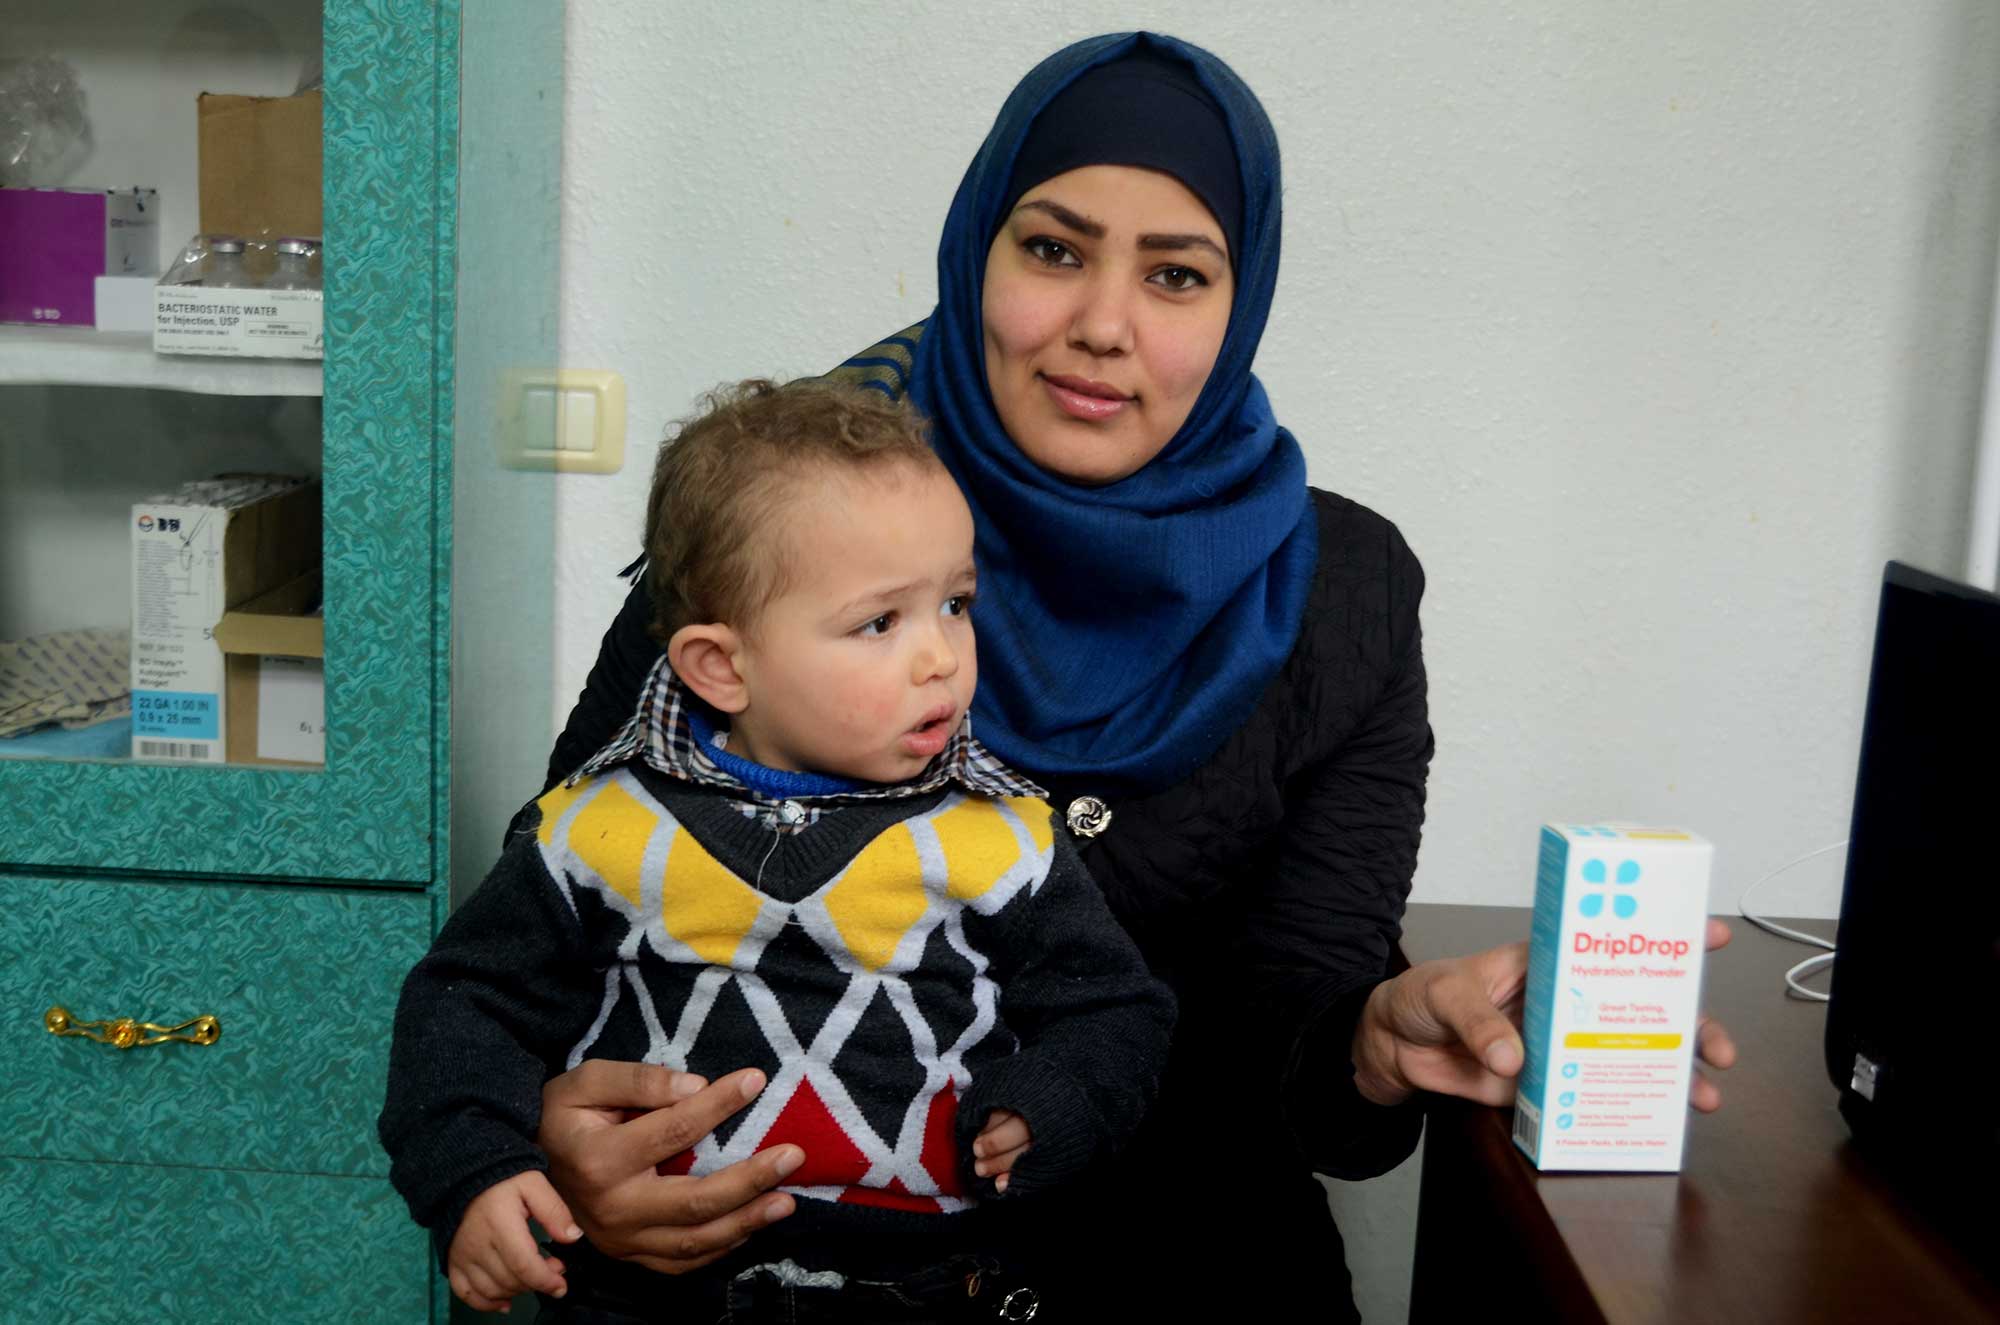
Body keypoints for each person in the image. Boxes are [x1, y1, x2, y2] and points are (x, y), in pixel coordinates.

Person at [530, 32, 1738, 1320]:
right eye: (1052, 249)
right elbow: (553, 923)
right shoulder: (777, 534)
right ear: (976, 248)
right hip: (773, 1268)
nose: (1102, 325)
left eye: (1175, 274)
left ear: (1240, 301)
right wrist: (558, 1138)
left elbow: (1302, 1044)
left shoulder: (1342, 592)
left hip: (1182, 1270)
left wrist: (1375, 1042)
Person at [380, 380, 1175, 1318]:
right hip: (645, 1292)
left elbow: (1118, 1008)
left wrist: (1053, 1099)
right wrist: (477, 1171)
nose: (942, 657)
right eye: (881, 621)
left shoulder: (1002, 837)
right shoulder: (596, 827)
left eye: (955, 603)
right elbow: (467, 1002)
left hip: (926, 1286)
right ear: (722, 666)